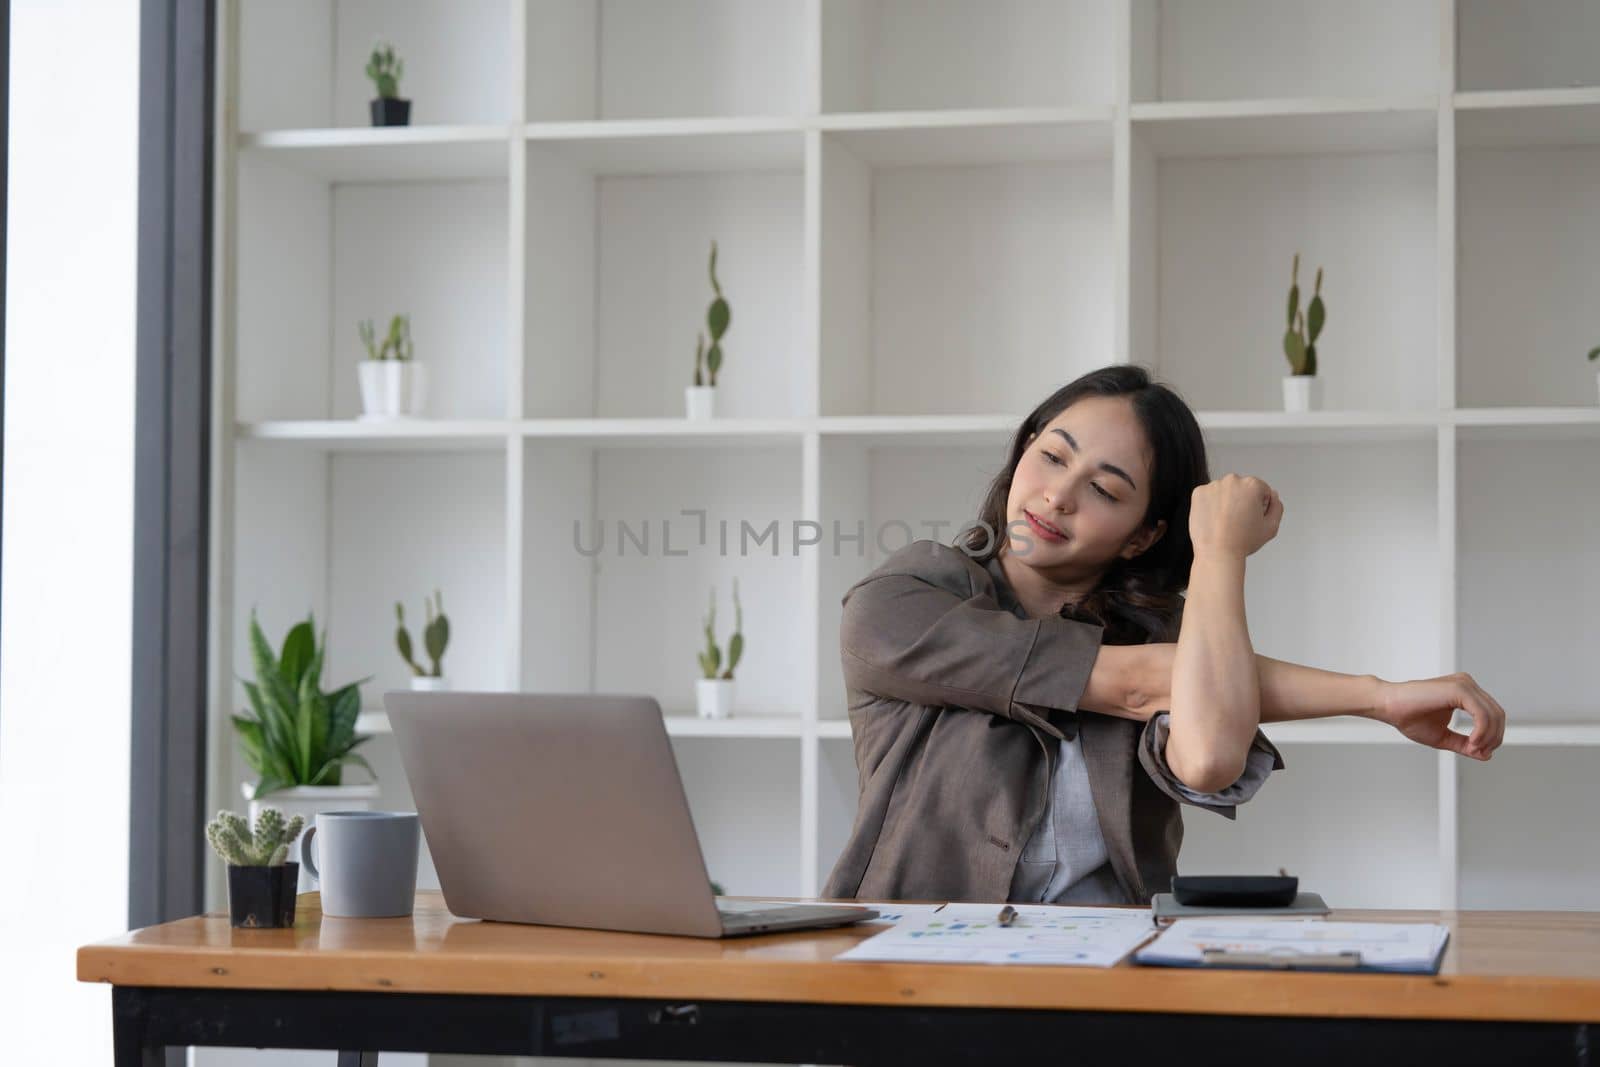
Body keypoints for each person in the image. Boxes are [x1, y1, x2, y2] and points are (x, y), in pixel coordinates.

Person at [821, 365, 1507, 905]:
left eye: (1107, 490)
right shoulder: (901, 602)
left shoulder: (1167, 635)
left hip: (1108, 987)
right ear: (1024, 444)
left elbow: (1207, 754)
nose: (1059, 495)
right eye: (1053, 455)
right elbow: (1140, 679)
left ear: (1145, 534)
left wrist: (1216, 555)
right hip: (910, 974)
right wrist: (1373, 696)